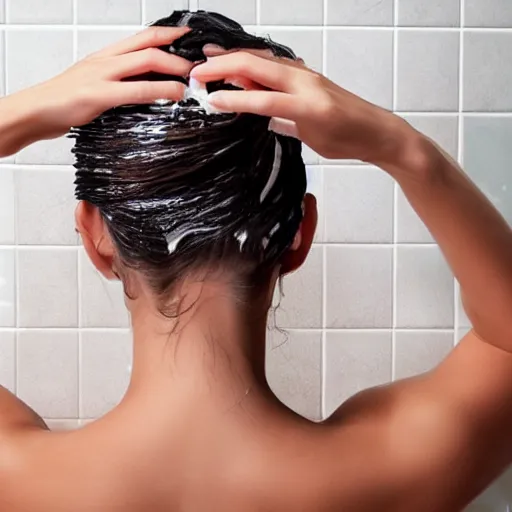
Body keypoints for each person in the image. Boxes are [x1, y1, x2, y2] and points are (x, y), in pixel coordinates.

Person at [1, 18, 512, 512]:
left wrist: (17, 115)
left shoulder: (19, 478)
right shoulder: (389, 472)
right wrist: (405, 148)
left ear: (94, 235)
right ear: (300, 234)